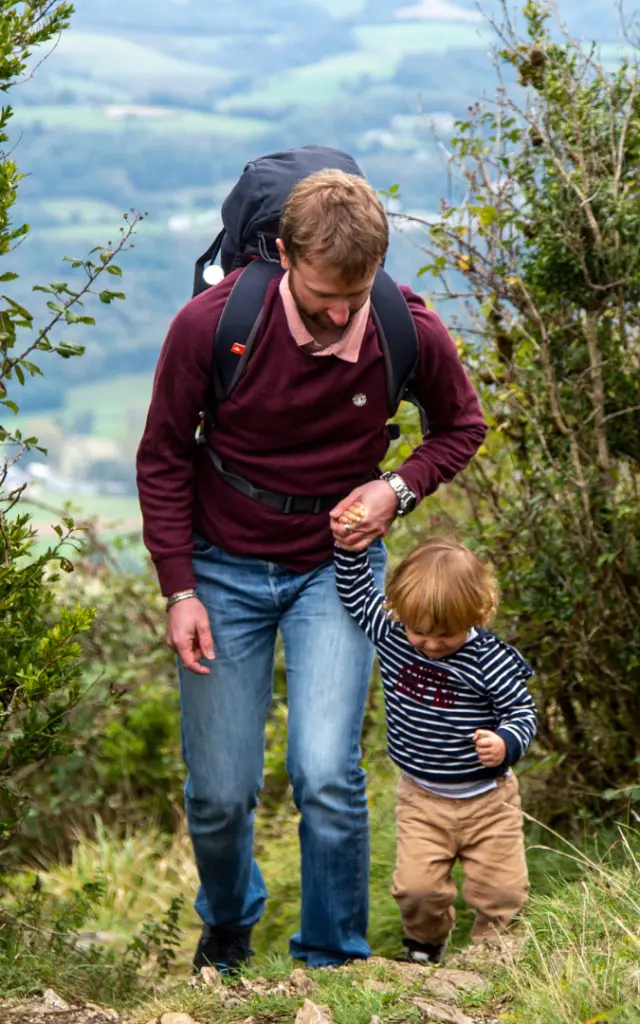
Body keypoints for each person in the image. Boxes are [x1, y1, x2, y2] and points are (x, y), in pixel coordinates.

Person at [136, 165, 487, 971]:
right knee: (219, 791)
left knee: (326, 771)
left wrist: (396, 488)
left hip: (338, 571)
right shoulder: (212, 326)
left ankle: (332, 959)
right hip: (219, 566)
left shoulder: (406, 328)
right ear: (283, 256)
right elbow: (162, 457)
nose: (339, 314)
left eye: (355, 296)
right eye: (325, 294)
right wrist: (179, 587)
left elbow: (461, 427)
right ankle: (229, 927)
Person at [334, 530, 537, 963]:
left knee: (502, 891)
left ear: (477, 614)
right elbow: (355, 592)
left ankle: (496, 957)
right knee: (416, 889)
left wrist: (505, 741)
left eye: (445, 635)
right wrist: (350, 545)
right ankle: (425, 948)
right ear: (401, 613)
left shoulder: (490, 660)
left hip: (489, 801)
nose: (429, 644)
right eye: (419, 632)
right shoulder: (392, 634)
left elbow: (522, 712)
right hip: (422, 799)